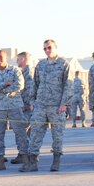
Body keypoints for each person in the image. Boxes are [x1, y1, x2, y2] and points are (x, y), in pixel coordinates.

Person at [24, 39, 71, 172]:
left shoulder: (63, 64)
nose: (47, 50)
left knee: (57, 135)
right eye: (44, 48)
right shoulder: (41, 64)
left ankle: (56, 161)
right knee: (35, 134)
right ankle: (32, 162)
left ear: (55, 47)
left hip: (56, 106)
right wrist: (32, 101)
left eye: (49, 48)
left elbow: (68, 85)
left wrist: (64, 103)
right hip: (40, 105)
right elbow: (35, 84)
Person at [0, 50, 27, 171]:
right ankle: (0, 160)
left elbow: (20, 85)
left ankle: (24, 156)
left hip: (14, 106)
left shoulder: (14, 70)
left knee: (20, 132)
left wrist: (2, 90)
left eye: (1, 57)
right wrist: (4, 84)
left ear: (6, 58)